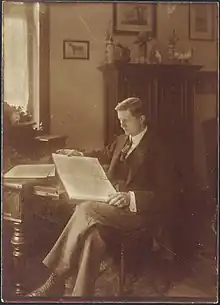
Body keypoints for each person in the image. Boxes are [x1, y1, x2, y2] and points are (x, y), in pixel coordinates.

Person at [27, 97, 175, 297]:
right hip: (112, 209)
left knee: (86, 208)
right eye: (120, 120)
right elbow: (103, 154)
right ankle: (80, 296)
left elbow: (168, 194)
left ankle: (55, 278)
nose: (122, 125)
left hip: (138, 215)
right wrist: (79, 154)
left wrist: (131, 197)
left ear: (142, 119)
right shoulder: (123, 139)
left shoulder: (159, 147)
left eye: (126, 120)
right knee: (92, 237)